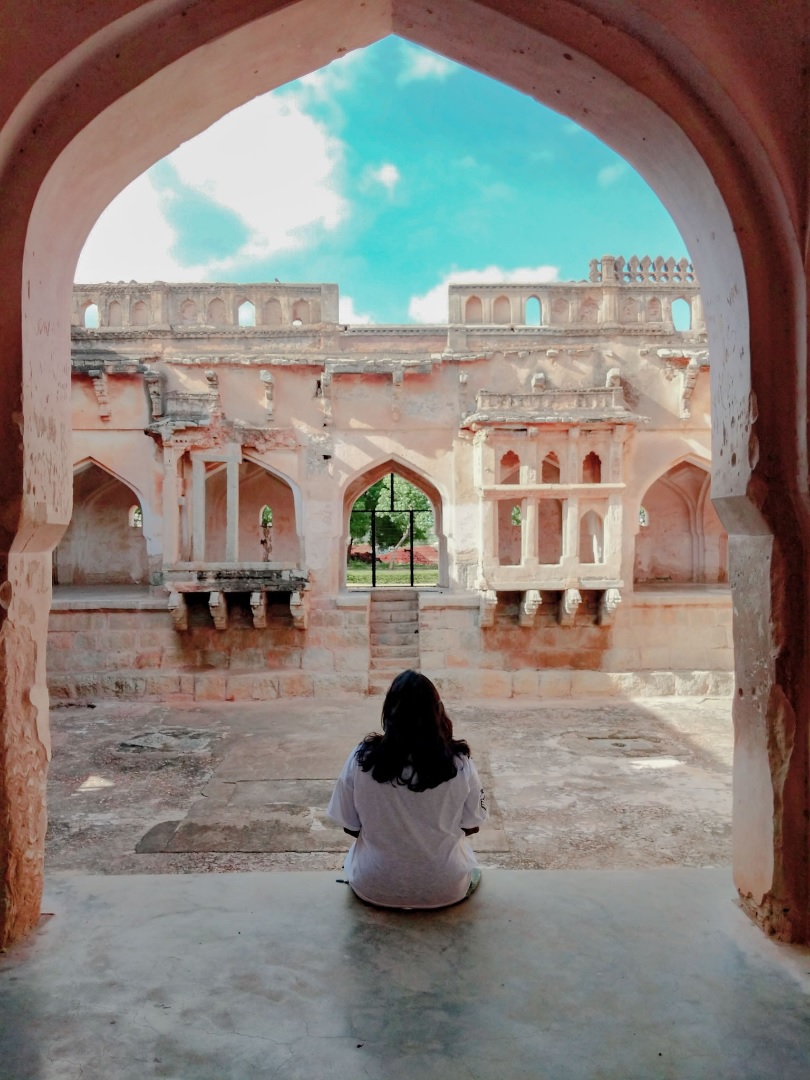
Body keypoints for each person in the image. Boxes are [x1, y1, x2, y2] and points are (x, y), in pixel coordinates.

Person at [327, 669, 488, 909]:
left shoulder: (361, 760)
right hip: (446, 888)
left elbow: (350, 827)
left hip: (373, 885)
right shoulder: (460, 763)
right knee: (474, 872)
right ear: (437, 712)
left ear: (388, 713)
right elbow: (472, 825)